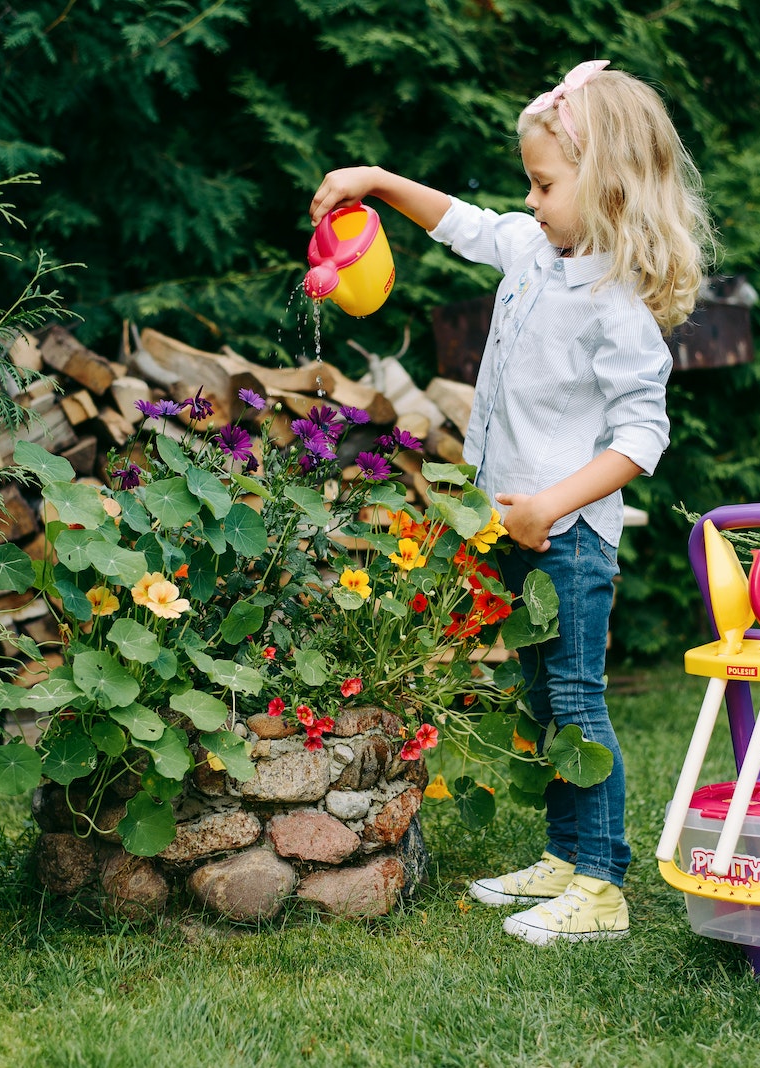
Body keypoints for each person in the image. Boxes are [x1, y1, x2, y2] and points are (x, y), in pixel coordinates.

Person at [309, 60, 711, 944]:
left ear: (605, 185)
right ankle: (567, 858)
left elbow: (643, 438)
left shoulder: (618, 305)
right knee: (541, 700)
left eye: (544, 183)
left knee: (575, 700)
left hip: (567, 539)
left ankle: (603, 886)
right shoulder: (534, 250)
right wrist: (373, 181)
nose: (530, 201)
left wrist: (551, 508)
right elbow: (458, 222)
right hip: (515, 524)